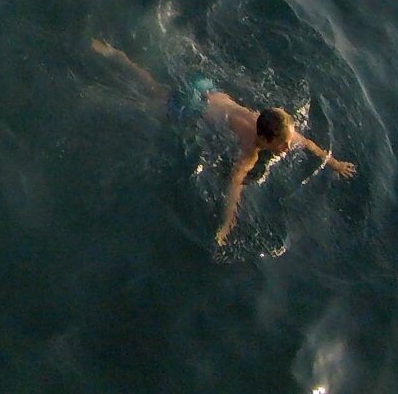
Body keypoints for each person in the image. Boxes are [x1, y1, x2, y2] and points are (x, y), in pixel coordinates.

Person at [91, 40, 356, 246]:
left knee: (155, 87)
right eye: (282, 144)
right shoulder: (251, 147)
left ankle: (117, 56)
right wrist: (228, 223)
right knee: (147, 102)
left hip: (206, 86)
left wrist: (334, 163)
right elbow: (235, 183)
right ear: (264, 139)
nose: (287, 148)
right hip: (193, 106)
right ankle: (103, 85)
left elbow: (307, 143)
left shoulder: (278, 125)